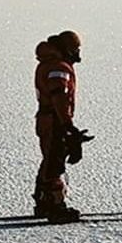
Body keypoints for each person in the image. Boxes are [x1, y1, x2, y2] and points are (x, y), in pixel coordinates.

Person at [32, 30, 90, 223]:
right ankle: (55, 206)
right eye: (75, 49)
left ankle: (43, 200)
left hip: (46, 119)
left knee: (49, 159)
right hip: (54, 120)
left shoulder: (48, 64)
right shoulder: (59, 67)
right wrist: (67, 124)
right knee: (55, 162)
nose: (77, 54)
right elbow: (60, 97)